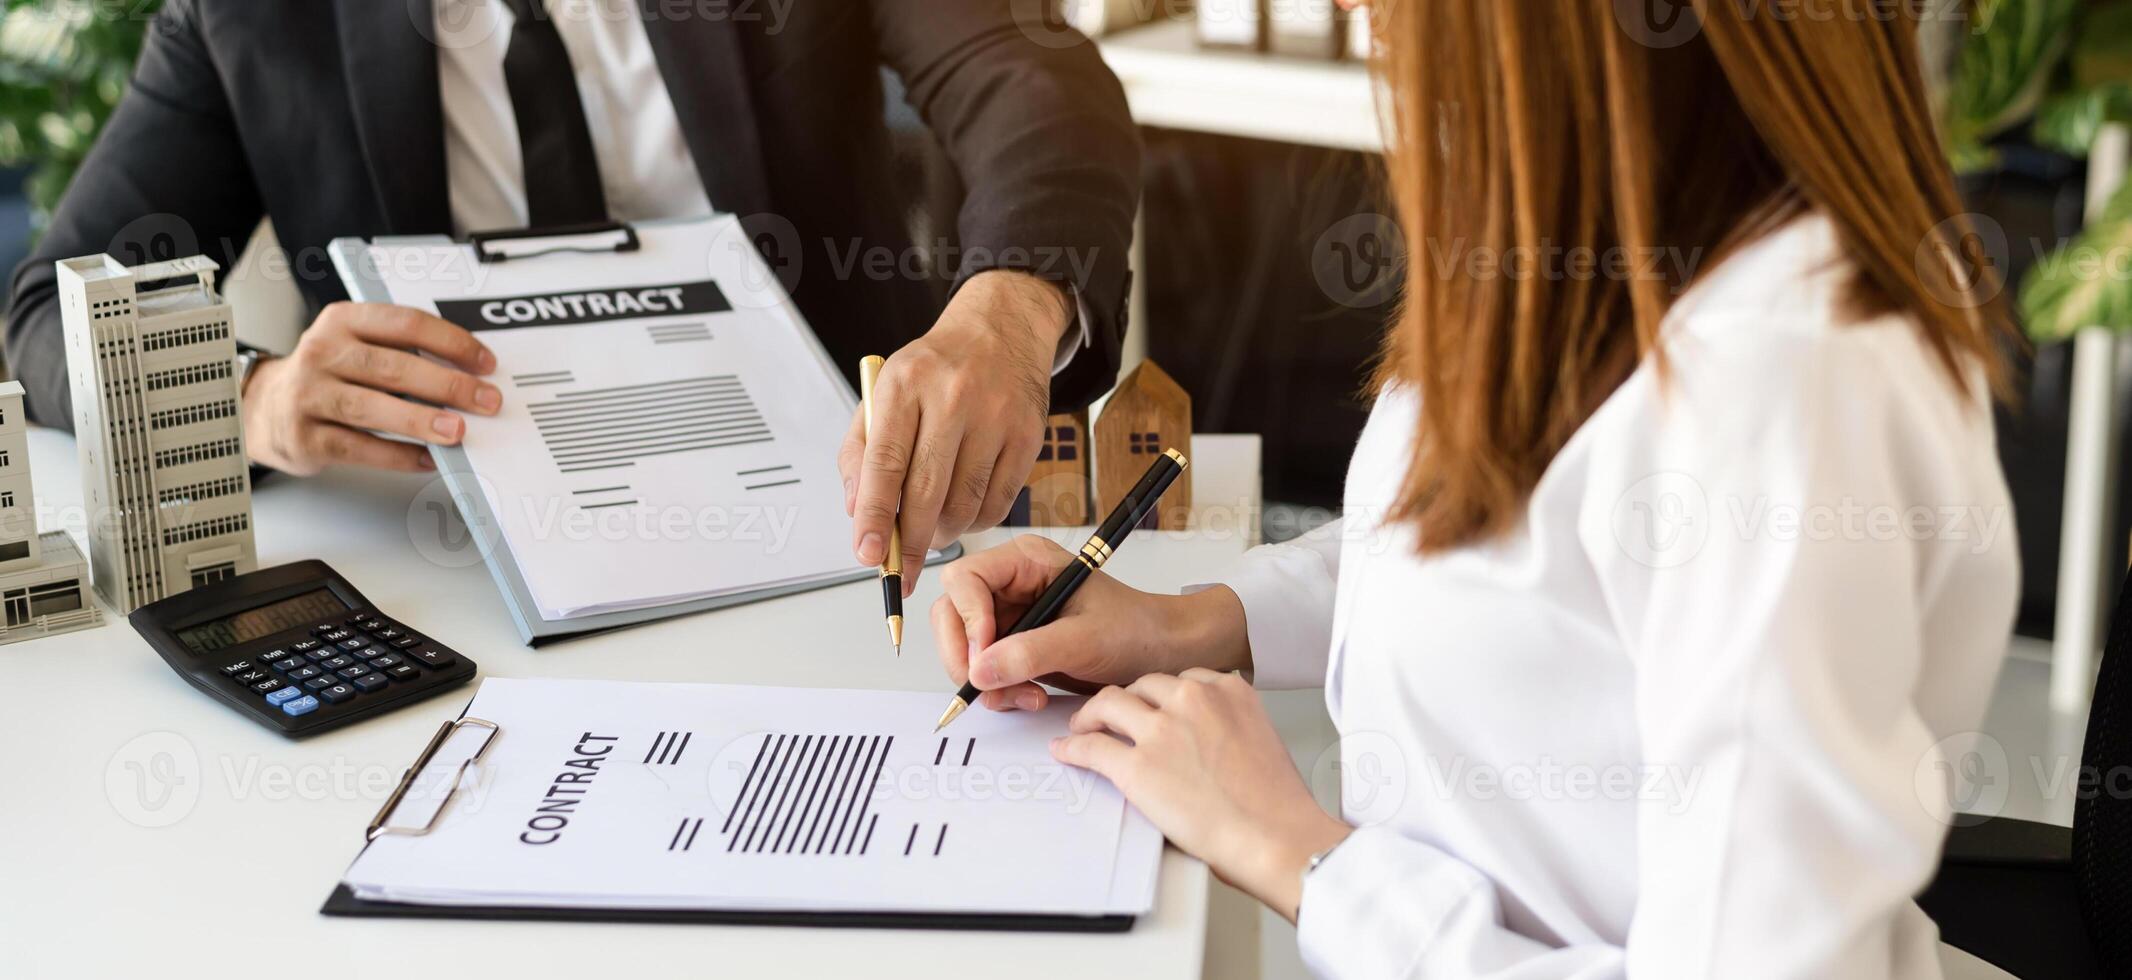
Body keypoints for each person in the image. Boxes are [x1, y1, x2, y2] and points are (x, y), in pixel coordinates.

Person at [933, 1, 2019, 976]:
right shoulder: (1579, 244)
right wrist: (1191, 624)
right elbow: (1475, 551)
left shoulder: (1783, 389)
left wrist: (1294, 850)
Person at [4, 0, 1138, 583]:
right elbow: (46, 306)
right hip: (455, 548)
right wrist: (251, 398)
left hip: (844, 525)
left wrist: (1009, 306)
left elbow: (1028, 75)